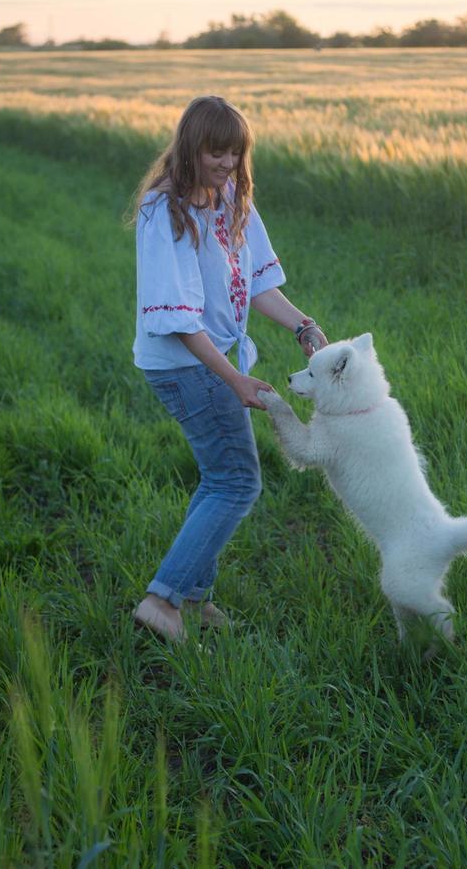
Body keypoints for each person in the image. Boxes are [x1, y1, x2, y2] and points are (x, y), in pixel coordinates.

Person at [131, 95, 327, 642]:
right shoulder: (163, 211)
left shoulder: (231, 198)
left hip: (213, 360)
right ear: (191, 147)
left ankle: (193, 599)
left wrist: (304, 326)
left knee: (221, 477)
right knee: (237, 480)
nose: (226, 164)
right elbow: (180, 321)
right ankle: (161, 601)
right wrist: (233, 378)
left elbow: (261, 283)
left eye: (235, 154)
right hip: (187, 363)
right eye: (216, 153)